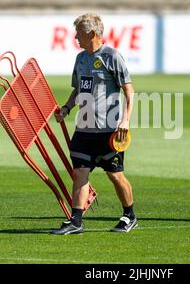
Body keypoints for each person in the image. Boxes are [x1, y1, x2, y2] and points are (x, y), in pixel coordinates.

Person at [51, 13, 137, 235]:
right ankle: (76, 220)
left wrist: (125, 120)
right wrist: (67, 108)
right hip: (83, 129)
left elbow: (129, 90)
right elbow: (77, 90)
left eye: (79, 32)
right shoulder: (80, 59)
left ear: (91, 33)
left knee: (115, 175)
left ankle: (130, 215)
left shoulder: (112, 56)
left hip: (108, 131)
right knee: (80, 172)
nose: (75, 37)